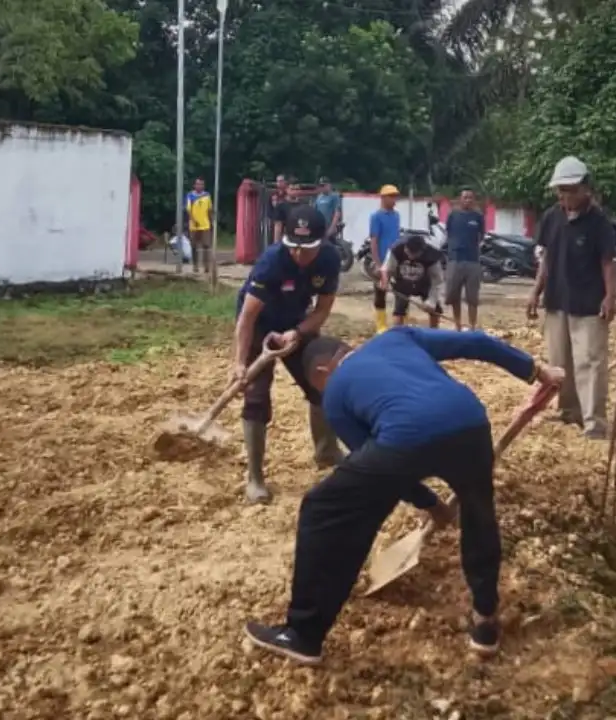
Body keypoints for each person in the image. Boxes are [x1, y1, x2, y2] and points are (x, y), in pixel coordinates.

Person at [242, 328, 566, 666]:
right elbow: (476, 342)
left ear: (322, 372)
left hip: (403, 439)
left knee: (323, 509)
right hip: (471, 424)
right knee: (479, 515)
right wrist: (535, 371)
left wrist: (427, 503)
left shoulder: (335, 394)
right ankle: (485, 622)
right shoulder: (396, 337)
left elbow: (377, 464)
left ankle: (303, 634)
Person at [235, 204, 344, 504]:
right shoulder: (271, 262)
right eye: (293, 247)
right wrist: (239, 363)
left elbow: (322, 310)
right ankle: (255, 478)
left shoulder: (330, 260)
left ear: (321, 242)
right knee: (256, 398)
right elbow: (246, 318)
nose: (298, 254)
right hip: (260, 327)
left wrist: (297, 333)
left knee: (322, 380)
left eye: (306, 248)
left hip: (296, 323)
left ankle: (326, 450)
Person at [526, 156, 616, 440]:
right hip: (557, 299)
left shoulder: (599, 221)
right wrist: (535, 291)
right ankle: (569, 412)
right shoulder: (552, 217)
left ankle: (595, 423)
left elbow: (608, 262)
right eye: (560, 190)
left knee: (589, 361)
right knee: (559, 361)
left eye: (569, 190)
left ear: (585, 189)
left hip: (589, 303)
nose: (564, 196)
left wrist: (611, 296)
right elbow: (546, 258)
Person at [384, 233, 445, 328]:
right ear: (405, 248)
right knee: (399, 310)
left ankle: (434, 333)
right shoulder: (396, 249)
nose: (410, 256)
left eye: (413, 254)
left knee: (435, 311)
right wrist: (385, 282)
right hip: (402, 281)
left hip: (425, 283)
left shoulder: (432, 255)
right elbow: (389, 269)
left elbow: (437, 280)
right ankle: (397, 334)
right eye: (408, 252)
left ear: (421, 252)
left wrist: (431, 301)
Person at [445, 189, 485, 331]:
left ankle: (472, 326)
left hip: (473, 260)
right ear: (460, 199)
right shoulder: (453, 215)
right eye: (465, 197)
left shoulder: (478, 216)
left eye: (470, 197)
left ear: (474, 200)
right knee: (454, 294)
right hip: (455, 259)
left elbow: (482, 235)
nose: (468, 200)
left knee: (472, 297)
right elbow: (448, 232)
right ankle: (457, 325)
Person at [369, 184, 403, 334]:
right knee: (380, 291)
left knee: (401, 291)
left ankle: (400, 323)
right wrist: (377, 263)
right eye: (391, 196)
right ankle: (381, 325)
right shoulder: (376, 216)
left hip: (396, 259)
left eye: (395, 196)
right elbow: (374, 240)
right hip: (382, 259)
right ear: (383, 198)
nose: (394, 199)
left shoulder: (396, 216)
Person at [185, 177, 213, 274]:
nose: (199, 186)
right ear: (194, 185)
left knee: (206, 246)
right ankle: (195, 265)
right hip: (194, 226)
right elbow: (188, 210)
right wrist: (193, 220)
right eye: (198, 184)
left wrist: (211, 222)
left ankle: (206, 266)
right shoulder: (190, 195)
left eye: (201, 184)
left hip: (205, 225)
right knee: (194, 246)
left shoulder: (207, 196)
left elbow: (209, 210)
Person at [270, 175, 294, 245]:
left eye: (281, 181)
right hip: (277, 220)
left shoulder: (290, 193)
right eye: (277, 181)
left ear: (285, 182)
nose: (279, 183)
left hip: (288, 221)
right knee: (276, 240)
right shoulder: (274, 195)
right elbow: (271, 207)